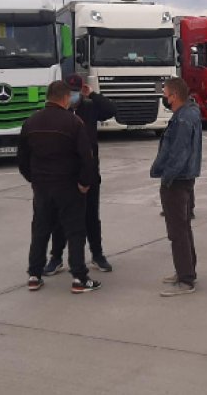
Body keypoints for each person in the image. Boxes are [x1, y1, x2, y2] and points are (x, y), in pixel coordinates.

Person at [18, 80, 101, 293]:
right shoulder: (74, 123)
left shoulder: (31, 122)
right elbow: (86, 157)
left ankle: (34, 275)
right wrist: (84, 183)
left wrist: (34, 179)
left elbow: (22, 159)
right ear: (65, 98)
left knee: (40, 230)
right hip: (68, 187)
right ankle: (79, 278)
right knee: (75, 231)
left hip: (42, 187)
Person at [45, 74, 117, 275]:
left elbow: (111, 110)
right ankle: (56, 257)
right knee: (60, 218)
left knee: (91, 216)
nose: (74, 95)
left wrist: (93, 94)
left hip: (89, 172)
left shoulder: (89, 107)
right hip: (65, 175)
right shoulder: (58, 112)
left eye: (78, 90)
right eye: (71, 91)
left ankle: (97, 254)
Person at [150, 78, 202, 297]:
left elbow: (178, 153)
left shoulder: (183, 118)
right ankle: (186, 270)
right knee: (183, 227)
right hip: (185, 177)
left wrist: (167, 177)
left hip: (177, 180)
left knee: (177, 231)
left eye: (166, 93)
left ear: (174, 96)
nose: (164, 97)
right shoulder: (189, 113)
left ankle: (185, 279)